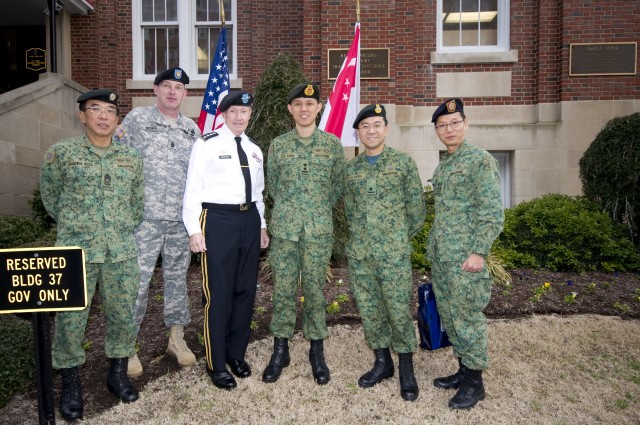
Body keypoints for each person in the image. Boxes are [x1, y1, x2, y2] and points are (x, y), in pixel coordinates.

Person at [40, 89, 144, 421]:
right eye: (95, 109)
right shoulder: (62, 153)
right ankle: (70, 384)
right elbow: (51, 199)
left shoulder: (131, 158)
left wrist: (117, 227)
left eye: (110, 111)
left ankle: (117, 373)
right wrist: (79, 227)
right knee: (71, 321)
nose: (103, 116)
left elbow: (137, 206)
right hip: (77, 251)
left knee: (122, 316)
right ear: (82, 116)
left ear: (117, 119)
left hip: (120, 253)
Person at [113, 67, 200, 378]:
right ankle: (127, 345)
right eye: (167, 86)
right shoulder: (136, 121)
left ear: (185, 93)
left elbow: (199, 177)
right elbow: (118, 161)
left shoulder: (192, 130)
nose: (173, 92)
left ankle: (176, 339)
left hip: (179, 221)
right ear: (155, 89)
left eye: (178, 87)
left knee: (178, 280)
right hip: (144, 220)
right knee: (137, 282)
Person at [182, 91, 270, 390]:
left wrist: (262, 226)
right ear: (223, 114)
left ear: (250, 115)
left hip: (249, 221)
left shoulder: (255, 150)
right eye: (233, 111)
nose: (239, 116)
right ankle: (216, 363)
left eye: (244, 111)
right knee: (217, 295)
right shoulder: (206, 144)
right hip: (217, 221)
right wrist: (194, 229)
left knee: (245, 292)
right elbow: (193, 189)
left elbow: (257, 193)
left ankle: (235, 354)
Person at [262, 82, 346, 385]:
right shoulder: (278, 145)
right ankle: (280, 350)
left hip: (317, 232)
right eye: (298, 104)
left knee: (314, 292)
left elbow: (337, 187)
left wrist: (315, 209)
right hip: (285, 231)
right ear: (290, 109)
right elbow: (271, 186)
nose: (304, 109)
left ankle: (316, 351)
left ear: (319, 108)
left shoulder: (332, 146)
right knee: (282, 292)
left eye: (309, 104)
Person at [344, 104, 426, 401]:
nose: (371, 131)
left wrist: (394, 238)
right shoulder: (350, 169)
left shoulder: (403, 164)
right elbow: (351, 211)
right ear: (358, 133)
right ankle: (382, 362)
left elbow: (417, 211)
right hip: (361, 254)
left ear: (386, 129)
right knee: (369, 309)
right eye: (365, 127)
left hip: (393, 254)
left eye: (377, 125)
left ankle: (406, 367)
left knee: (397, 309)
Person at [426, 98, 504, 410]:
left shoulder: (480, 161)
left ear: (465, 124)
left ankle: (475, 384)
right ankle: (463, 370)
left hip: (465, 260)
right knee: (451, 316)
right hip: (444, 258)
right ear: (437, 131)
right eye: (442, 125)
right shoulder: (444, 165)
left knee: (467, 317)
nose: (449, 129)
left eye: (454, 122)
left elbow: (491, 213)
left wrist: (479, 252)